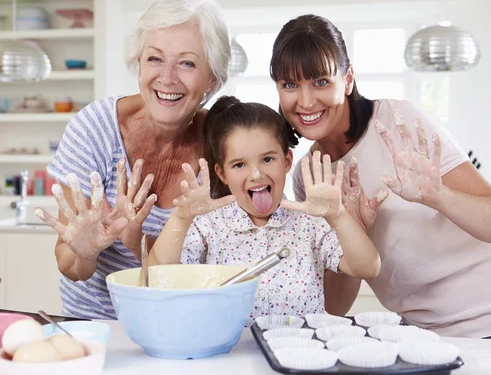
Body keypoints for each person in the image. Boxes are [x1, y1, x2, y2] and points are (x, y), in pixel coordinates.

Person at [268, 14, 491, 339]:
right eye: (290, 84)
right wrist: (354, 230)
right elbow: (333, 306)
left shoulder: (400, 123)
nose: (305, 102)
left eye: (320, 81)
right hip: (427, 339)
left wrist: (437, 195)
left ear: (347, 80)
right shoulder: (312, 175)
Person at [35, 0, 231, 319]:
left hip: (184, 324)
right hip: (99, 328)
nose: (167, 78)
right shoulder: (95, 130)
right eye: (155, 58)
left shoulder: (223, 141)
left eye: (187, 62)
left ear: (212, 78)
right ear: (138, 63)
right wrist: (85, 251)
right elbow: (73, 268)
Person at [148, 96, 381, 325]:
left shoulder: (311, 222)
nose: (256, 174)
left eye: (268, 159)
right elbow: (158, 275)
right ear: (222, 174)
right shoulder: (208, 225)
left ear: (287, 161)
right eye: (239, 165)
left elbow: (368, 266)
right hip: (232, 355)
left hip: (300, 353)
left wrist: (338, 215)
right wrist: (181, 217)